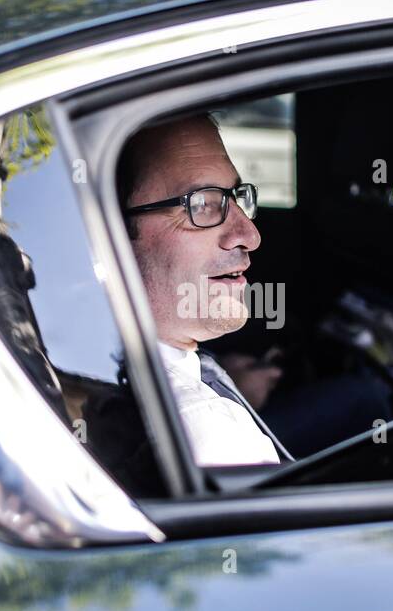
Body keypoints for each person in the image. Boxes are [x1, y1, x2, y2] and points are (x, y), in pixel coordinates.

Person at [117, 113, 290, 466]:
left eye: (235, 197)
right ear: (110, 232)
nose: (249, 236)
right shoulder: (208, 431)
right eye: (200, 204)